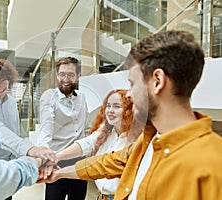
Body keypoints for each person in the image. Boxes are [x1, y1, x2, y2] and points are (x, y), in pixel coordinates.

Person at [40, 30, 222, 199]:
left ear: (157, 81)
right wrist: (58, 173)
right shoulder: (148, 141)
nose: (128, 94)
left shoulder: (213, 164)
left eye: (133, 84)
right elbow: (108, 162)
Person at [0, 59, 56, 174]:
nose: (0, 86)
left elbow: (15, 132)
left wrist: (31, 154)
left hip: (9, 165)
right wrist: (30, 150)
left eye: (3, 81)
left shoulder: (11, 101)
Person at [55, 89, 140, 200]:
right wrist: (56, 157)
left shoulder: (135, 139)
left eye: (116, 106)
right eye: (108, 106)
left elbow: (104, 165)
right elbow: (86, 144)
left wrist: (59, 173)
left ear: (129, 110)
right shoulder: (105, 132)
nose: (110, 111)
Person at [37, 56, 90, 200]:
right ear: (56, 75)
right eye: (62, 74)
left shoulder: (82, 97)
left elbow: (86, 127)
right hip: (57, 161)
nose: (65, 79)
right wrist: (44, 157)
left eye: (71, 75)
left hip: (79, 160)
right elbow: (45, 129)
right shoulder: (49, 97)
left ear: (78, 76)